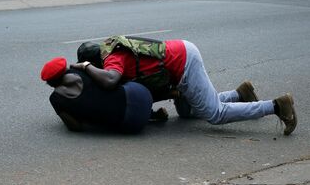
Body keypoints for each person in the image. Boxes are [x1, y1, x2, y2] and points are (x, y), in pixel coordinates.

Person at [71, 35, 297, 135]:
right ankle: (240, 94)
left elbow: (110, 81)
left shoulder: (111, 61)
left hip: (183, 63)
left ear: (96, 60)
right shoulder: (111, 48)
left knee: (214, 114)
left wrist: (87, 67)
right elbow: (140, 88)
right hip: (177, 61)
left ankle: (277, 106)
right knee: (187, 112)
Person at [40, 56, 166, 134]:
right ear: (65, 69)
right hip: (142, 93)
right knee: (118, 92)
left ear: (50, 84)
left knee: (107, 115)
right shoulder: (80, 70)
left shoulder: (56, 99)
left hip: (134, 124)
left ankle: (149, 115)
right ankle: (163, 99)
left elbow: (75, 127)